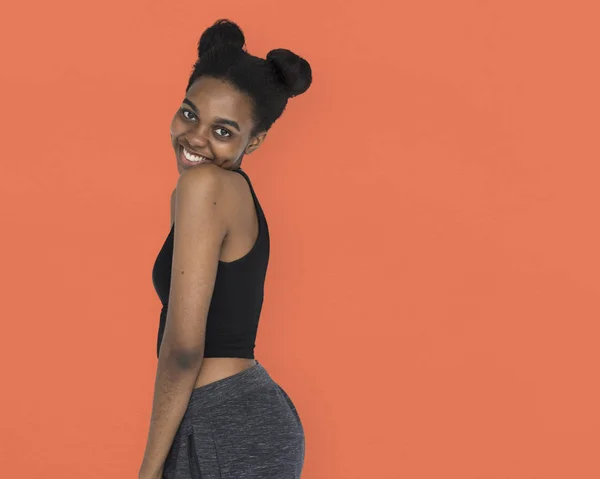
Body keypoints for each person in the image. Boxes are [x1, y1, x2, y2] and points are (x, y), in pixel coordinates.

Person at [138, 18, 312, 479]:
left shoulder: (204, 187)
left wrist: (150, 467)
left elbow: (183, 348)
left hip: (221, 421)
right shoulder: (230, 191)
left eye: (223, 131)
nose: (194, 138)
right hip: (241, 413)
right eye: (190, 114)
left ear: (254, 140)